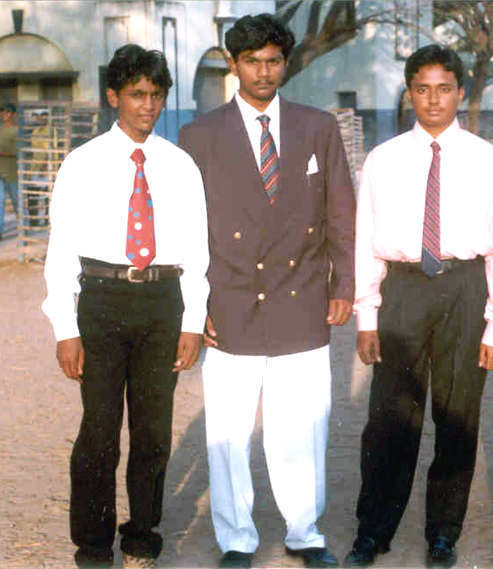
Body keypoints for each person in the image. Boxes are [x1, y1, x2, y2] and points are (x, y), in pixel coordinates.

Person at [178, 14, 355, 569]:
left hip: (301, 297)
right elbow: (187, 231)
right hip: (230, 302)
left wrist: (344, 285)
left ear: (286, 63)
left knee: (302, 427)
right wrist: (195, 308)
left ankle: (305, 532)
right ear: (234, 65)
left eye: (273, 61)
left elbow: (342, 214)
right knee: (228, 432)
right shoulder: (199, 136)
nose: (263, 72)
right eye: (252, 62)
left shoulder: (317, 127)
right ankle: (236, 538)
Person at [345, 44, 493, 569]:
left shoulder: (489, 161)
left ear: (460, 93)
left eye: (444, 89)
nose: (433, 100)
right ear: (409, 94)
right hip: (403, 290)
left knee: (457, 415)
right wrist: (367, 315)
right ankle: (373, 530)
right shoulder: (384, 159)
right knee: (390, 417)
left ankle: (443, 532)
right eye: (422, 89)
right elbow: (365, 240)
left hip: (464, 288)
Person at [41, 44, 209, 568]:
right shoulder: (82, 163)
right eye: (137, 94)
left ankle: (141, 534)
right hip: (103, 300)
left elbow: (197, 251)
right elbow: (61, 251)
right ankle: (93, 545)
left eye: (156, 95)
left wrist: (192, 321)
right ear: (114, 96)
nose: (148, 106)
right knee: (99, 430)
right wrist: (66, 328)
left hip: (162, 301)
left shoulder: (180, 165)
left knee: (154, 431)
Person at [0, 103, 19, 240]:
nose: (4, 114)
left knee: (17, 202)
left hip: (12, 173)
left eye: (7, 112)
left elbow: (18, 152)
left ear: (14, 114)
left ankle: (24, 227)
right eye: (2, 112)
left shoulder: (17, 131)